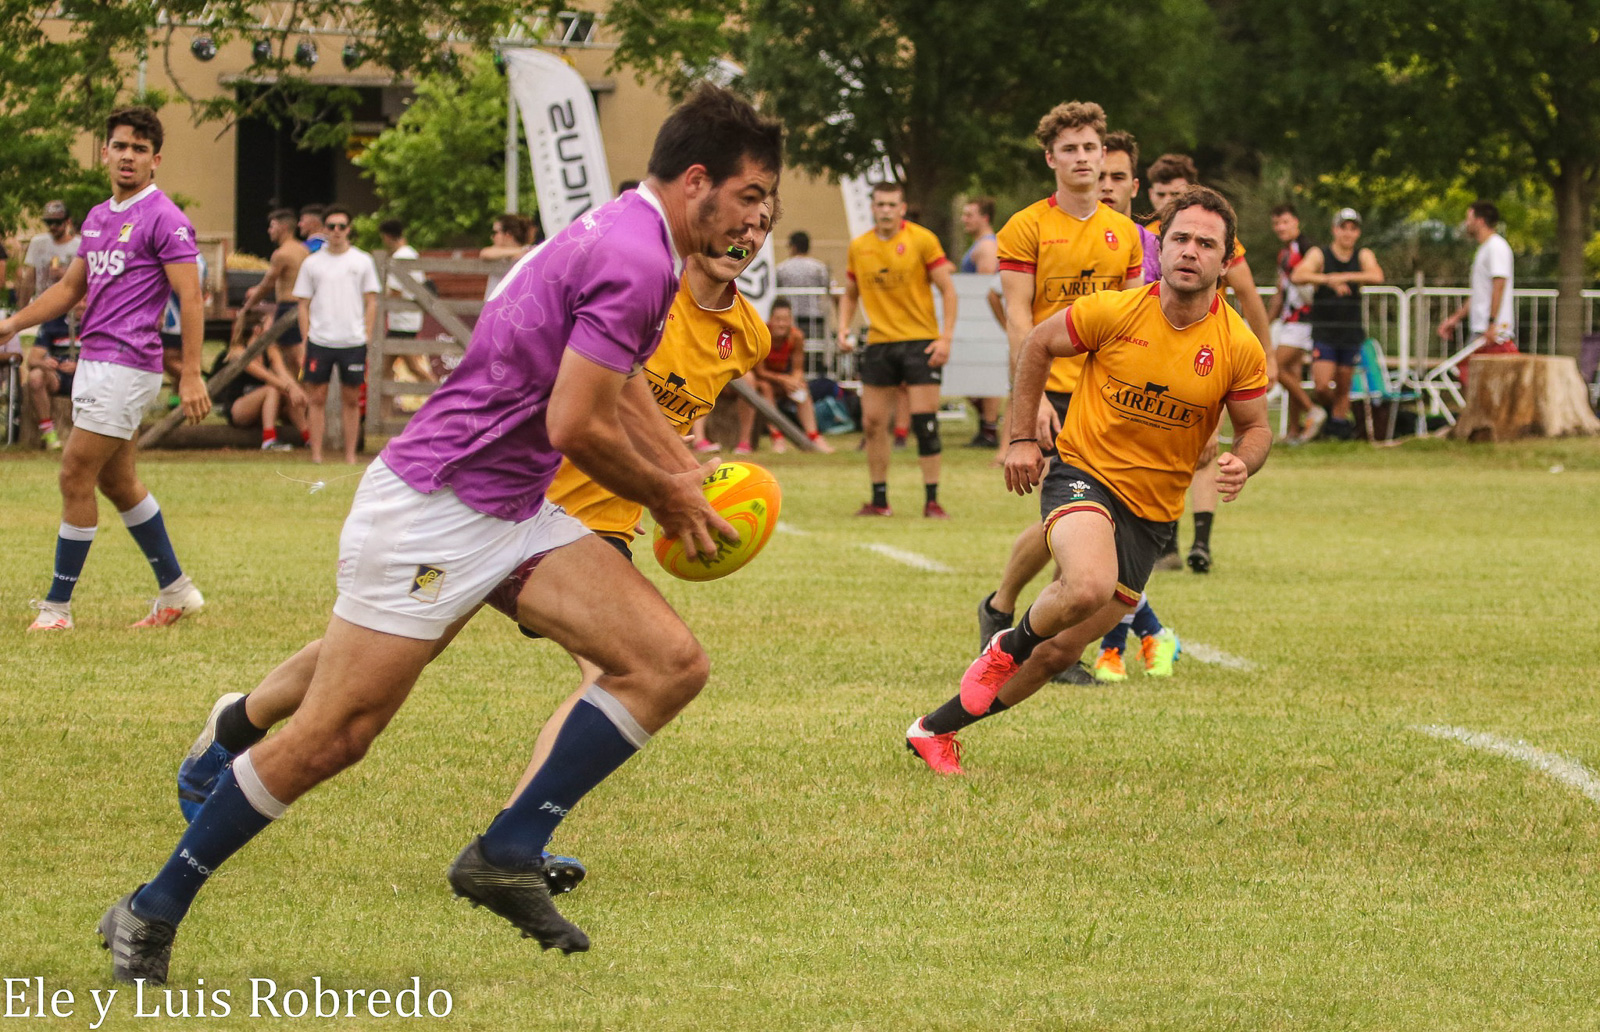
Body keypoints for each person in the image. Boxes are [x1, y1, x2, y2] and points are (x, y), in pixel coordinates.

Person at [98, 83, 783, 986]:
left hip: (513, 509)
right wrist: (674, 498)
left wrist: (682, 479)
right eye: (750, 195)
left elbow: (620, 394)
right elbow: (577, 423)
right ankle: (151, 905)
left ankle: (507, 850)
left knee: (665, 662)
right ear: (698, 180)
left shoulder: (636, 231)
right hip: (435, 504)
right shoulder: (638, 257)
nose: (759, 217)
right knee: (335, 736)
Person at [175, 199, 782, 903]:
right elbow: (599, 389)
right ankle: (507, 842)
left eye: (762, 225)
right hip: (529, 493)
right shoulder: (645, 280)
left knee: (596, 665)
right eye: (741, 216)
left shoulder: (747, 335)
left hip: (604, 517)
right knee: (406, 652)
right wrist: (671, 480)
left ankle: (511, 839)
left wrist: (688, 485)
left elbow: (684, 414)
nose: (747, 236)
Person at [906, 187, 1272, 775]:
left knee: (1059, 654)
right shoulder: (1117, 309)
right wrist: (1022, 436)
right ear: (1162, 245)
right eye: (1179, 238)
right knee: (1086, 585)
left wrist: (1242, 461)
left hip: (1153, 516)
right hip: (1084, 475)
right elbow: (1037, 345)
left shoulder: (1237, 346)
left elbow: (1256, 428)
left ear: (1227, 261)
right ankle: (1007, 646)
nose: (1190, 251)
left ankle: (933, 730)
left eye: (1206, 243)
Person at [0, 108, 209, 632]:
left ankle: (56, 609)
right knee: (119, 482)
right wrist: (11, 326)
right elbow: (71, 290)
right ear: (105, 152)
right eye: (120, 146)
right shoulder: (97, 216)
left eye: (140, 149)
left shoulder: (166, 218)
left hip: (128, 364)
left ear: (155, 160)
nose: (128, 156)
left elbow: (191, 297)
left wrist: (191, 373)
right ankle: (178, 591)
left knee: (74, 472)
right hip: (95, 360)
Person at [975, 101, 1144, 664]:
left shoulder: (1127, 235)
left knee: (1082, 522)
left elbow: (1133, 325)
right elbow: (1020, 318)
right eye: (1068, 149)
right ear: (1051, 158)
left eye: (1089, 148)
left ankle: (1002, 610)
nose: (1081, 158)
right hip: (1050, 389)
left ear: (1104, 156)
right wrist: (1036, 397)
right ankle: (1039, 642)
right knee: (1073, 521)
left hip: (1106, 397)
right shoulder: (1026, 227)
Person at [1145, 153, 1274, 574]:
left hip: (1205, 354)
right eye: (1162, 193)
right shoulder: (1143, 236)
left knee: (1203, 447)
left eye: (1177, 193)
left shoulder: (1216, 238)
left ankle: (1200, 542)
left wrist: (1266, 351)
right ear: (1149, 194)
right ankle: (1164, 539)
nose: (1169, 200)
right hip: (1148, 358)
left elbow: (1250, 295)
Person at [1088, 128, 1181, 682]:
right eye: (1099, 175)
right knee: (1085, 535)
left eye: (1117, 177)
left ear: (1133, 185)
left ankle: (1117, 646)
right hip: (1082, 403)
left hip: (1141, 409)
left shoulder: (1156, 247)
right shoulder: (1069, 235)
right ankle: (1146, 634)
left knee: (1113, 539)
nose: (1105, 186)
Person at [838, 181, 958, 517]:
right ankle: (879, 501)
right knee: (873, 423)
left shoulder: (922, 239)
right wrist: (844, 327)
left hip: (920, 341)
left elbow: (948, 290)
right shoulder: (859, 246)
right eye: (880, 205)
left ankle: (932, 500)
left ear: (902, 208)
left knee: (925, 422)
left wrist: (945, 337)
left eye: (893, 205)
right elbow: (850, 293)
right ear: (872, 208)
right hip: (879, 343)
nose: (886, 211)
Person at [292, 205, 378, 464]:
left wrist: (367, 334)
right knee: (316, 397)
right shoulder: (312, 263)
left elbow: (371, 300)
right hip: (320, 340)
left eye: (342, 226)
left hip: (352, 340)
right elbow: (302, 304)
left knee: (351, 399)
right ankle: (317, 454)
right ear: (324, 230)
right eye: (331, 226)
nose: (337, 231)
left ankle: (350, 455)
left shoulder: (362, 261)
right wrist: (306, 338)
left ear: (349, 229)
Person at [1292, 208, 1384, 440]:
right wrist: (1327, 280)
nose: (1348, 233)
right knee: (1322, 385)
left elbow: (1376, 275)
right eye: (1343, 227)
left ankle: (1337, 426)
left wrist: (1344, 278)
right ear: (1334, 230)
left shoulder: (1362, 255)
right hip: (1324, 328)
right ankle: (1332, 416)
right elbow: (1298, 275)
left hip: (1350, 329)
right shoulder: (1320, 254)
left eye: (1353, 229)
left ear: (1358, 233)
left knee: (1344, 384)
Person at [18, 200, 82, 448]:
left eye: (57, 222)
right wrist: (23, 312)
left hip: (75, 310)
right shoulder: (38, 244)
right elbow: (29, 277)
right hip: (47, 311)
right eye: (49, 222)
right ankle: (49, 434)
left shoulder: (79, 246)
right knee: (37, 366)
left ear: (68, 222)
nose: (52, 227)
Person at [1437, 199, 1516, 391]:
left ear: (1479, 220)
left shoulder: (1496, 247)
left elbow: (1499, 284)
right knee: (1470, 379)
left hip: (1492, 332)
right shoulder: (1484, 249)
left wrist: (1492, 323)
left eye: (1469, 218)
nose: (1466, 223)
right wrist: (1455, 319)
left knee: (1481, 382)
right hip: (1482, 329)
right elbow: (1481, 294)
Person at [745, 297, 835, 453]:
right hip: (762, 382)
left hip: (782, 382)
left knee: (801, 388)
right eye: (778, 319)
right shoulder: (761, 335)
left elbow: (798, 369)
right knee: (766, 388)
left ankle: (814, 436)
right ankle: (777, 437)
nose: (781, 324)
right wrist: (784, 379)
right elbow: (760, 372)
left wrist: (794, 380)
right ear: (770, 320)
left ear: (791, 320)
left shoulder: (796, 337)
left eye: (785, 319)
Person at [214, 306, 310, 449]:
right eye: (269, 325)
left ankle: (309, 438)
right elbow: (266, 376)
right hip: (239, 408)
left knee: (285, 391)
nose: (272, 329)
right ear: (257, 329)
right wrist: (290, 388)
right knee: (273, 388)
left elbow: (282, 372)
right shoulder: (238, 352)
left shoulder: (270, 349)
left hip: (267, 405)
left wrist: (297, 390)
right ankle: (269, 440)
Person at [1266, 204, 1321, 442]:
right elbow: (1280, 292)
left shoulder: (1308, 249)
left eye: (1285, 221)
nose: (1281, 227)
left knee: (1274, 369)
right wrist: (1266, 322)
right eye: (1277, 223)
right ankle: (1293, 431)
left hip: (1304, 319)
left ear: (1296, 222)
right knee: (1292, 374)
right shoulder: (1284, 253)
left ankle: (1313, 410)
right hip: (1290, 320)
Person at [234, 208, 310, 376]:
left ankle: (301, 395)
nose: (269, 231)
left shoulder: (281, 254)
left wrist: (248, 306)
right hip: (303, 306)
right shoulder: (303, 250)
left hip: (289, 307)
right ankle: (293, 397)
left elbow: (267, 284)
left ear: (283, 227)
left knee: (293, 357)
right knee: (294, 356)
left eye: (272, 226)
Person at [959, 197, 1003, 448]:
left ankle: (989, 429)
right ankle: (988, 425)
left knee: (985, 372)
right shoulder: (979, 244)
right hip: (977, 320)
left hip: (983, 320)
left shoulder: (987, 247)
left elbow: (983, 286)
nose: (965, 219)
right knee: (971, 373)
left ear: (984, 218)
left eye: (969, 214)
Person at [376, 217, 434, 404]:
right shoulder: (411, 253)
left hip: (402, 320)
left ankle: (442, 399)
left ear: (387, 236)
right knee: (387, 369)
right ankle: (382, 412)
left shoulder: (400, 257)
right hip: (407, 319)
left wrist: (376, 301)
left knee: (411, 368)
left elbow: (395, 291)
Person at [774, 229, 835, 343]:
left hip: (790, 320)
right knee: (816, 349)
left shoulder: (782, 268)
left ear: (793, 247)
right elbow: (833, 290)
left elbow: (774, 292)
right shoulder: (819, 268)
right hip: (815, 319)